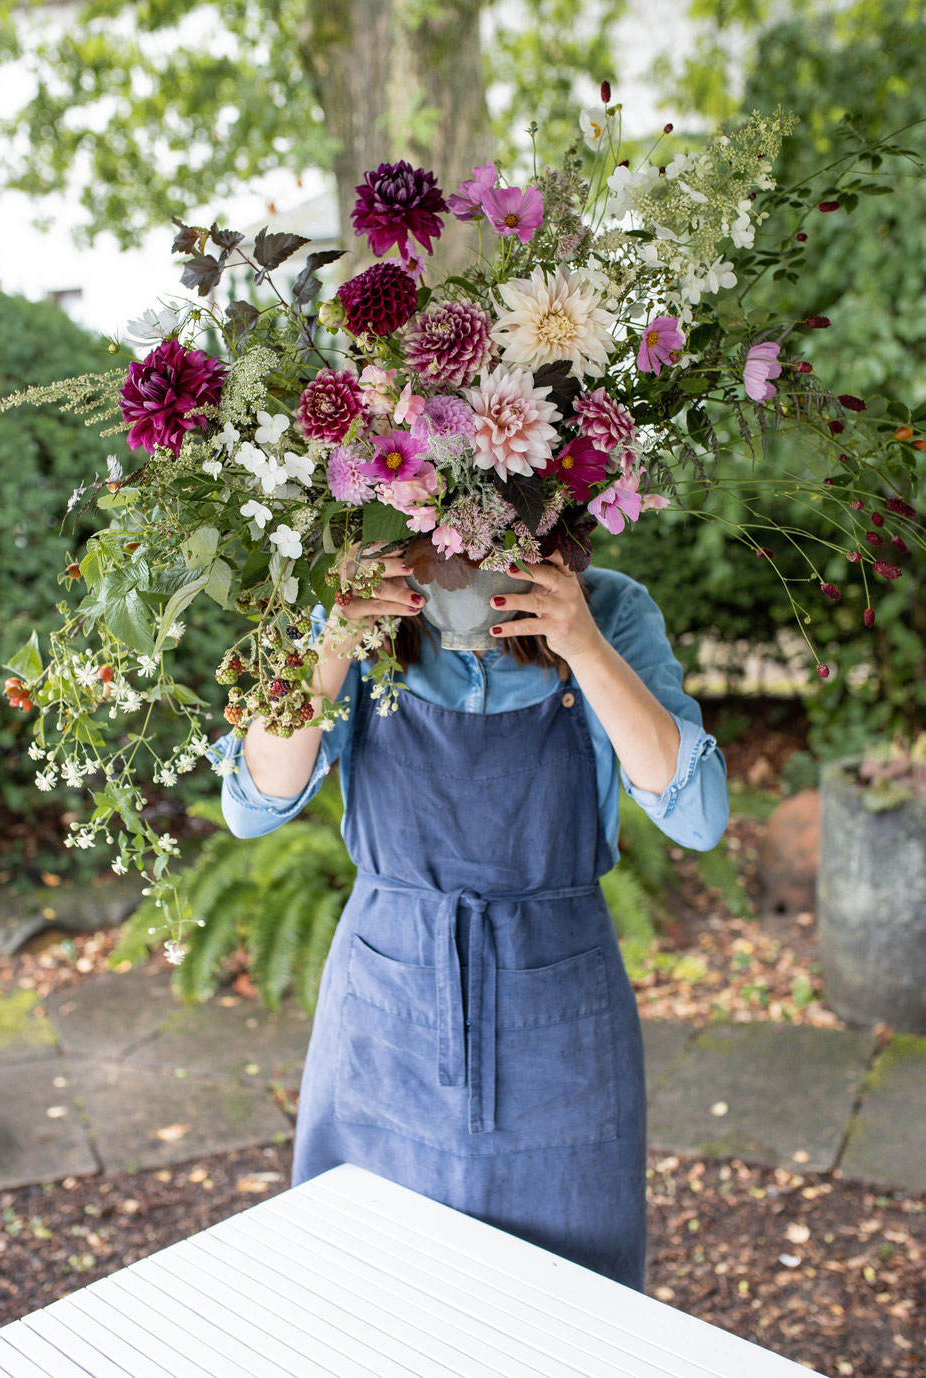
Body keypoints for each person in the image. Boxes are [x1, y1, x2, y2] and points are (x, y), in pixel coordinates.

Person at [215, 545, 729, 1290]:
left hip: (558, 1025)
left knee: (564, 1308)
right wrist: (335, 637)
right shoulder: (360, 606)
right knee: (370, 1294)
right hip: (386, 1017)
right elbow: (252, 804)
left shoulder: (607, 609)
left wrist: (581, 643)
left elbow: (700, 816)